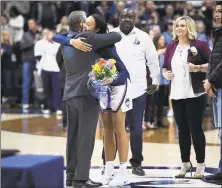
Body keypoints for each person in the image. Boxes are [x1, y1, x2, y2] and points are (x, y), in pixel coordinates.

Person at [53, 13, 132, 187]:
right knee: (86, 137)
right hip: (86, 93)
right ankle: (81, 179)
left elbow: (56, 40)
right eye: (85, 22)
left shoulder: (65, 40)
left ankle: (70, 176)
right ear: (81, 24)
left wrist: (69, 41)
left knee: (72, 137)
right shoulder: (88, 37)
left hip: (69, 93)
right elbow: (117, 36)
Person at [112, 8, 160, 176]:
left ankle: (136, 163)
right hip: (115, 90)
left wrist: (155, 80)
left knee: (136, 129)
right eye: (124, 16)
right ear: (119, 17)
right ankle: (109, 163)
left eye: (130, 17)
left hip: (138, 90)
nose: (127, 19)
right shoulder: (111, 35)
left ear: (135, 19)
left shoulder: (143, 37)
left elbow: (153, 60)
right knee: (112, 128)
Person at [162, 16, 211, 179]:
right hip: (176, 94)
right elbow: (164, 67)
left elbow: (213, 64)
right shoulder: (171, 47)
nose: (178, 28)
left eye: (182, 25)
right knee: (182, 130)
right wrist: (166, 74)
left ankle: (200, 164)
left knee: (195, 130)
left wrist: (196, 68)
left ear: (189, 27)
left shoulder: (200, 45)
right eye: (177, 25)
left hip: (195, 93)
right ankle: (185, 163)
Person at [204, 1, 222, 184]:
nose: (217, 14)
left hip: (219, 85)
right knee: (220, 131)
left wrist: (210, 79)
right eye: (216, 11)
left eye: (221, 12)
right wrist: (209, 79)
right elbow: (212, 60)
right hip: (218, 86)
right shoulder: (218, 33)